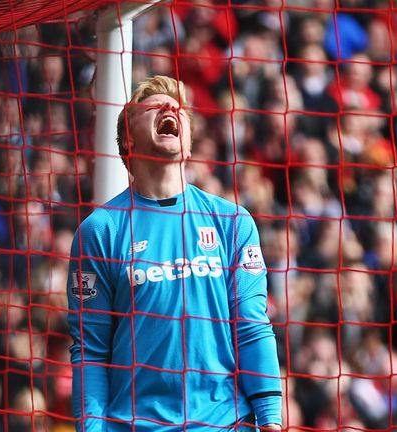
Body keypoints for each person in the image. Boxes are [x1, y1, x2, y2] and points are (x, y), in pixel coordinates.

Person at [67, 75, 282, 431]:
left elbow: (252, 325)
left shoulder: (231, 222)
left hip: (225, 423)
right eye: (154, 106)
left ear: (189, 146)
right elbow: (91, 350)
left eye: (179, 109)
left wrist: (271, 419)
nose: (170, 108)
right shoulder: (101, 230)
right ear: (127, 140)